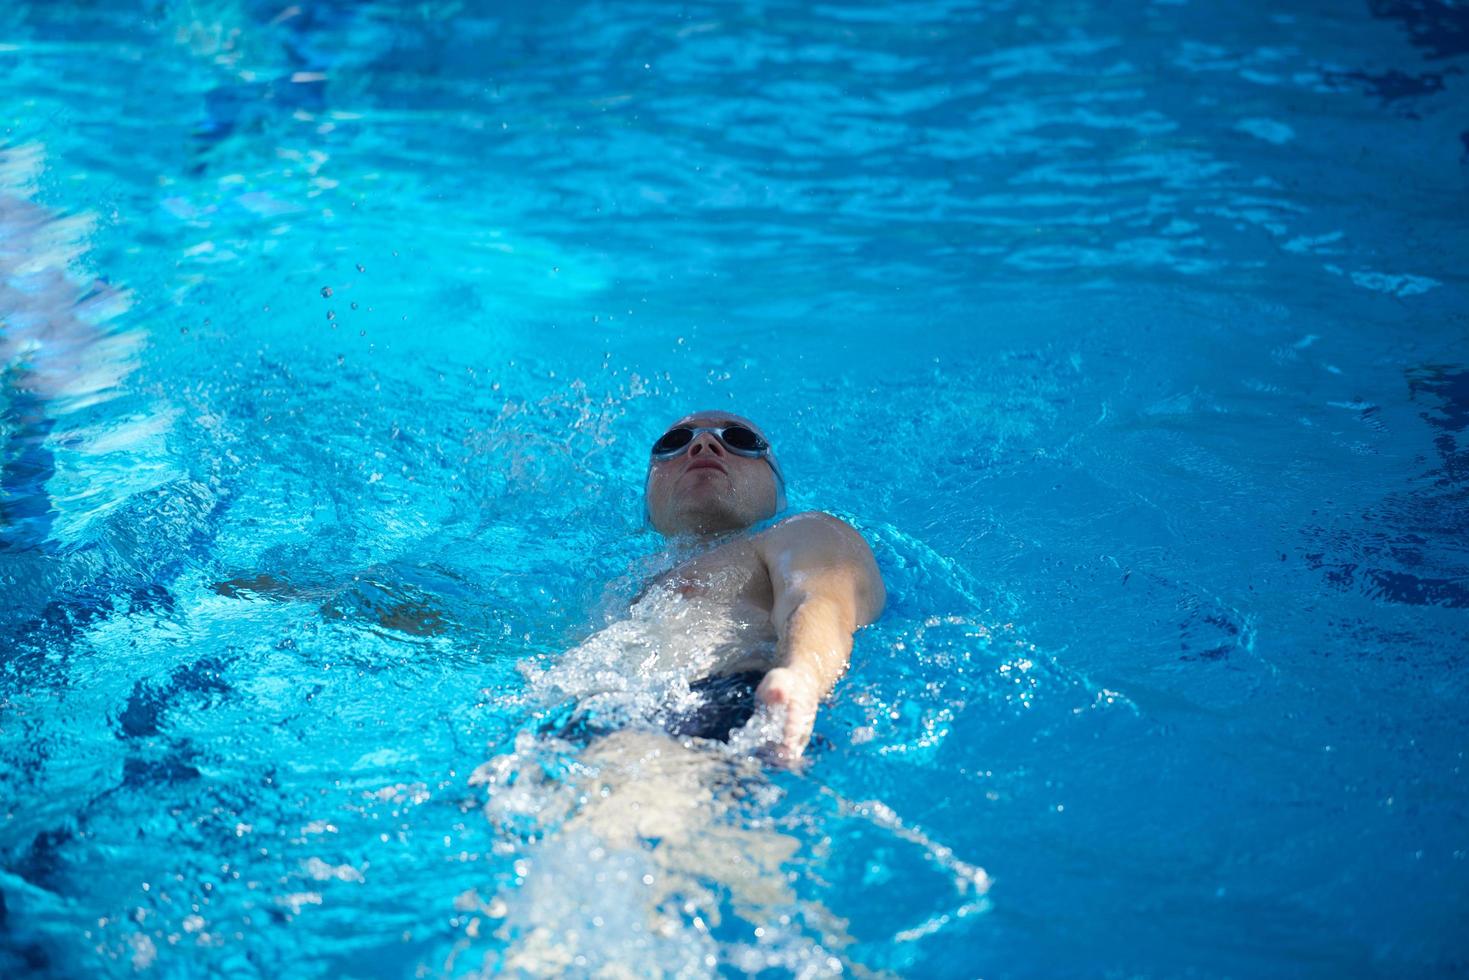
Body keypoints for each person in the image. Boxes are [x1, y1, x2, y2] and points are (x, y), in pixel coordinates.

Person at [633, 409, 886, 762]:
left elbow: (819, 600)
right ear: (647, 500)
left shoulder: (802, 531)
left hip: (712, 712)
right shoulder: (625, 588)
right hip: (591, 719)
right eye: (675, 442)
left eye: (740, 439)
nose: (704, 443)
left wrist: (802, 676)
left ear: (778, 495)